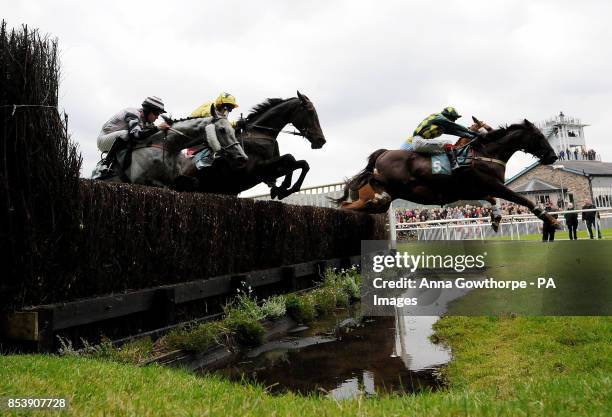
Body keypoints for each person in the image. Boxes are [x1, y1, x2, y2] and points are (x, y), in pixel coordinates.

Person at [97, 96, 170, 171]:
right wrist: (157, 128)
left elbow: (154, 136)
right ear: (148, 110)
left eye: (159, 114)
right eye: (156, 113)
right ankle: (105, 164)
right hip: (103, 140)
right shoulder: (133, 113)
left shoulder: (147, 121)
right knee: (126, 134)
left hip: (116, 140)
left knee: (146, 137)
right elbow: (136, 135)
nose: (157, 117)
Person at [400, 106, 481, 170]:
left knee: (442, 151)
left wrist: (472, 136)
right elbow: (457, 127)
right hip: (417, 142)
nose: (454, 120)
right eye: (453, 118)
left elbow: (457, 132)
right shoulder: (438, 117)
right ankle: (453, 164)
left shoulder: (441, 126)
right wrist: (474, 133)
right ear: (447, 115)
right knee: (448, 143)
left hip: (420, 142)